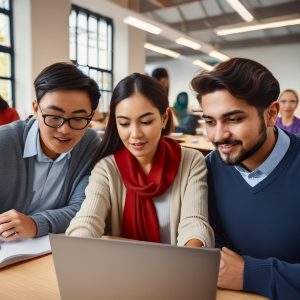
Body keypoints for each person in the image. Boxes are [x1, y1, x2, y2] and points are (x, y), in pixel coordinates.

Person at [191, 57, 300, 300]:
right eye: (210, 121)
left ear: (271, 114)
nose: (219, 135)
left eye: (234, 119)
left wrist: (252, 273)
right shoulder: (208, 168)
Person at [66, 73, 214, 248]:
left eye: (146, 121)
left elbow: (194, 223)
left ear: (164, 118)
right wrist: (76, 246)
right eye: (124, 124)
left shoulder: (191, 161)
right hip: (122, 270)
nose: (135, 134)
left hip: (176, 269)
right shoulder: (107, 168)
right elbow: (87, 221)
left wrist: (188, 259)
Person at [0, 62, 101, 241]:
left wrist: (35, 224)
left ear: (91, 116)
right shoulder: (4, 142)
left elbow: (83, 208)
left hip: (48, 252)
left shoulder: (88, 143)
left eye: (78, 118)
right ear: (36, 108)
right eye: (54, 117)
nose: (64, 130)